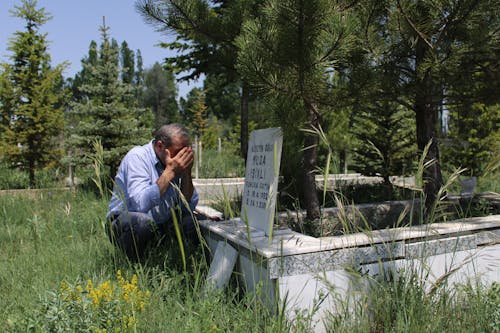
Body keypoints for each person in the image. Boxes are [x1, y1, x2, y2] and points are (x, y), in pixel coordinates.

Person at [106, 123, 199, 260]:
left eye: (187, 151)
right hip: (124, 223)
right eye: (179, 151)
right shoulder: (137, 157)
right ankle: (133, 266)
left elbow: (188, 206)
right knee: (143, 223)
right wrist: (169, 173)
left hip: (161, 223)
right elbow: (140, 205)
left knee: (196, 222)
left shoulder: (175, 163)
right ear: (160, 146)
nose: (183, 157)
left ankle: (184, 263)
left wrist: (187, 172)